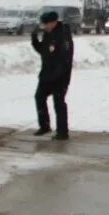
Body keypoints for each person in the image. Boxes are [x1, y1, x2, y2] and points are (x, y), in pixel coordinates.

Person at [31, 11, 74, 140]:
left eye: (46, 24)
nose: (44, 26)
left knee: (59, 103)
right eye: (43, 24)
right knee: (39, 97)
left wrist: (58, 74)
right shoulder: (47, 34)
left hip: (60, 77)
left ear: (54, 22)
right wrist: (34, 40)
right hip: (46, 75)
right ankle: (44, 126)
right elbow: (44, 51)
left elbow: (66, 57)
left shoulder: (63, 34)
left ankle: (62, 132)